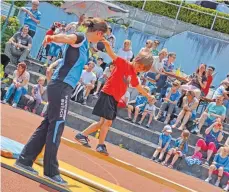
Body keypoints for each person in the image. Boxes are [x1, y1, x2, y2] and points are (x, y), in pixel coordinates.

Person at [15, 18, 108, 185]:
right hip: (61, 86)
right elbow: (67, 38)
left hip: (63, 86)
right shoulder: (80, 37)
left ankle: (24, 159)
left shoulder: (85, 44)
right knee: (57, 125)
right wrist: (52, 38)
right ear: (99, 33)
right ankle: (51, 171)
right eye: (101, 38)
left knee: (48, 124)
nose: (100, 41)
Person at [75, 38, 154, 155]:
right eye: (139, 66)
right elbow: (112, 55)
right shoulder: (124, 63)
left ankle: (82, 135)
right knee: (107, 122)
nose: (139, 69)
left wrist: (148, 95)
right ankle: (100, 145)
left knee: (103, 123)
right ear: (136, 60)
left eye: (142, 69)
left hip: (114, 99)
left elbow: (138, 87)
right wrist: (107, 45)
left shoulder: (133, 74)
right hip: (108, 94)